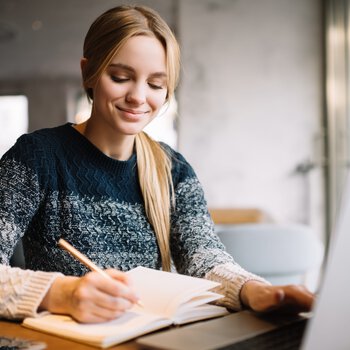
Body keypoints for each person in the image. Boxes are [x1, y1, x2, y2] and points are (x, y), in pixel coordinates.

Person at [0, 5, 314, 324]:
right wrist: (62, 293)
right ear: (88, 72)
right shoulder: (38, 157)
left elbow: (202, 256)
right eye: (121, 77)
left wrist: (253, 289)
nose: (138, 96)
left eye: (155, 84)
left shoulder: (172, 169)